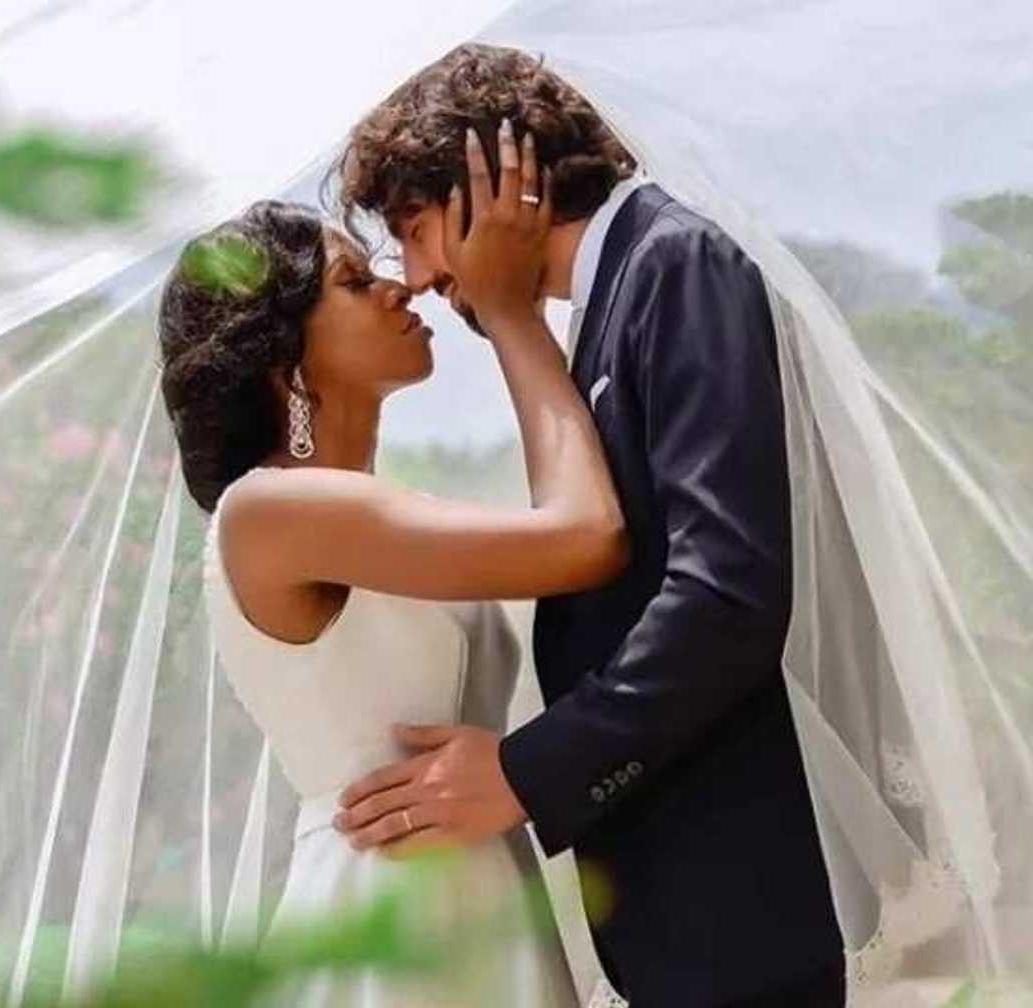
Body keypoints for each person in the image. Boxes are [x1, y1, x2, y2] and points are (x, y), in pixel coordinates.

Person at [334, 43, 845, 1007]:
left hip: (739, 913)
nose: (412, 272)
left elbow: (727, 594)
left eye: (413, 225)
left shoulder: (677, 263)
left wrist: (526, 773)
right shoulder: (609, 301)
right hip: (682, 918)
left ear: (489, 175)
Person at [157, 126, 623, 1005]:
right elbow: (586, 535)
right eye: (354, 281)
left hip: (472, 894)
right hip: (390, 916)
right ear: (283, 360)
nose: (401, 287)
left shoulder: (371, 513)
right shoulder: (270, 513)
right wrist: (513, 313)